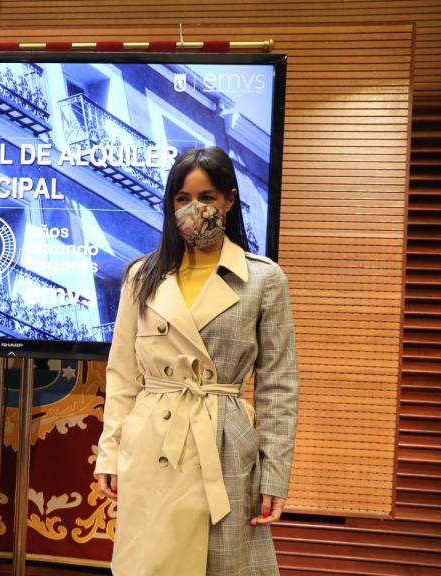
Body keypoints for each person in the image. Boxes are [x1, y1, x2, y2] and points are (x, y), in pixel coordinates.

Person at [93, 147, 299, 575]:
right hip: (152, 440)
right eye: (183, 198)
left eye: (206, 197)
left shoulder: (263, 278)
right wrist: (109, 454)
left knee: (222, 563)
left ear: (229, 199)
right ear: (170, 205)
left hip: (223, 442)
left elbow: (278, 385)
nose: (194, 209)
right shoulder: (142, 275)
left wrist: (275, 473)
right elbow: (123, 375)